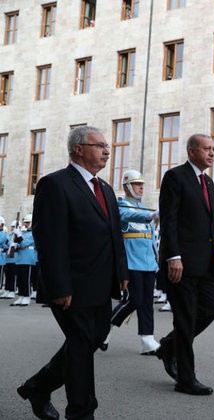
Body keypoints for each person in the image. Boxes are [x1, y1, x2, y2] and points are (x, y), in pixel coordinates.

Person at [17, 126, 128, 419]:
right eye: (100, 145)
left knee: (93, 338)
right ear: (78, 149)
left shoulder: (104, 188)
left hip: (101, 283)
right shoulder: (54, 184)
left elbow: (114, 234)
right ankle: (81, 411)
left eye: (108, 146)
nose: (107, 150)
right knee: (80, 348)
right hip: (71, 285)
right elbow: (50, 240)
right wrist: (59, 286)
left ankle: (38, 386)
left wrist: (121, 272)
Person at [155, 133, 214, 396]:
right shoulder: (175, 177)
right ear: (192, 151)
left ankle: (169, 345)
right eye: (207, 149)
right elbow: (169, 219)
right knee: (185, 318)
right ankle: (186, 378)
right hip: (180, 263)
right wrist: (173, 257)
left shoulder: (209, 182)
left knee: (210, 309)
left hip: (205, 264)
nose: (212, 153)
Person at [101, 169, 162, 355]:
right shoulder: (121, 205)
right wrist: (150, 216)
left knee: (146, 303)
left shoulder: (142, 206)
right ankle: (106, 327)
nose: (141, 188)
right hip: (131, 261)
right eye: (137, 184)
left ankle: (147, 339)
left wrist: (155, 256)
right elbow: (127, 216)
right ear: (127, 186)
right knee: (133, 300)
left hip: (148, 262)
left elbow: (149, 236)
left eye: (142, 184)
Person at [12, 214, 37, 307]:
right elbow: (19, 245)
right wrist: (15, 245)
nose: (26, 224)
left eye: (27, 222)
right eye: (25, 222)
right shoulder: (24, 233)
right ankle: (21, 295)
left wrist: (19, 237)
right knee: (20, 279)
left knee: (26, 278)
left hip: (28, 258)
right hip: (19, 258)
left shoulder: (34, 233)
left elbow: (24, 243)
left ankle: (27, 296)